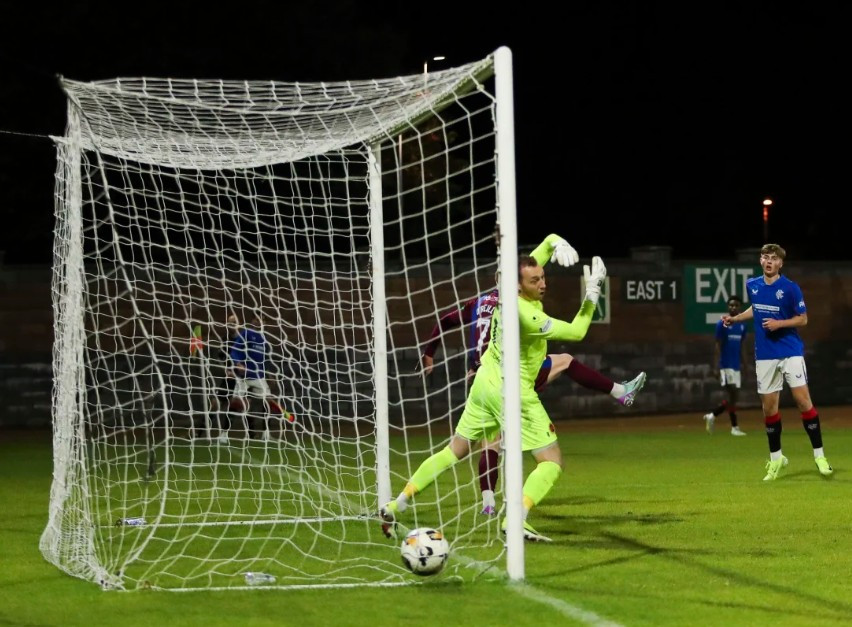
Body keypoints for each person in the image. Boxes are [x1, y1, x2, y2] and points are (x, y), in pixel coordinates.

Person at [381, 234, 611, 542]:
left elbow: (534, 258)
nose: (542, 284)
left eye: (543, 277)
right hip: (512, 392)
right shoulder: (529, 315)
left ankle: (397, 503)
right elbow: (578, 331)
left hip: (483, 384)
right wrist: (593, 292)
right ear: (518, 285)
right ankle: (515, 520)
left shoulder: (506, 291)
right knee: (552, 461)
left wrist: (556, 242)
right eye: (535, 281)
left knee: (455, 450)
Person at [420, 284, 646, 515]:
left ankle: (488, 503)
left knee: (490, 440)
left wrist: (429, 352)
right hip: (509, 374)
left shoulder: (478, 303)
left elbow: (446, 320)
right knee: (566, 361)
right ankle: (618, 391)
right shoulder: (513, 305)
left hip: (482, 376)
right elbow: (571, 331)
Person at [721, 243, 832, 481]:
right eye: (765, 257)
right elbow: (756, 309)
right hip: (765, 355)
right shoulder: (753, 285)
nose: (769, 261)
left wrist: (779, 324)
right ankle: (776, 459)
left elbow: (803, 319)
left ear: (781, 263)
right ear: (760, 261)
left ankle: (820, 456)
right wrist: (736, 318)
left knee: (803, 402)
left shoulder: (790, 288)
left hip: (790, 351)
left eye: (773, 258)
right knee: (769, 409)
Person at [229, 314, 295, 441]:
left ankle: (266, 434)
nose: (259, 322)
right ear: (252, 320)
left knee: (268, 401)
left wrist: (269, 374)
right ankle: (223, 434)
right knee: (236, 404)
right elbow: (234, 351)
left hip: (258, 376)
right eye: (257, 319)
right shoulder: (246, 333)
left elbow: (264, 360)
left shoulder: (264, 339)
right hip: (243, 376)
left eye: (262, 320)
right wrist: (238, 363)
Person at [702, 295, 748, 436]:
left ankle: (713, 416)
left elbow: (742, 346)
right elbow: (717, 345)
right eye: (731, 305)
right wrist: (716, 366)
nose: (733, 307)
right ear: (728, 307)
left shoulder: (742, 325)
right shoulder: (722, 324)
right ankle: (734, 427)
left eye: (736, 305)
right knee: (733, 392)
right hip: (725, 365)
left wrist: (745, 365)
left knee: (734, 397)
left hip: (736, 366)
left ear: (740, 307)